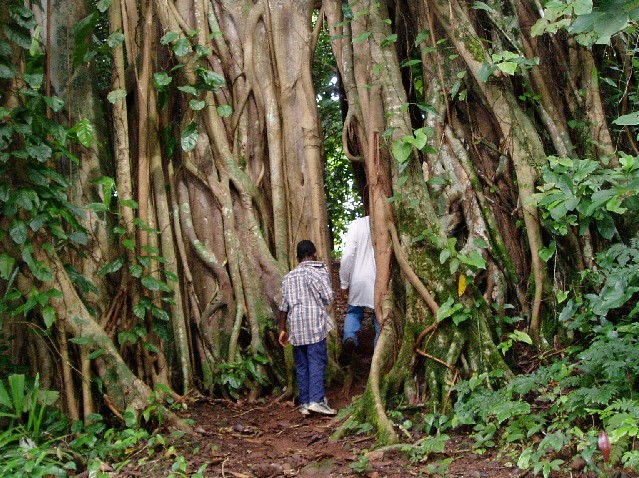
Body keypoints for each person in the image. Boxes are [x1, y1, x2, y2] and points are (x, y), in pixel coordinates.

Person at [279, 240, 337, 416]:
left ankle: (304, 402)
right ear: (313, 254)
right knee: (316, 361)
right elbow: (328, 298)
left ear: (297, 258)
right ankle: (317, 400)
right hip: (314, 325)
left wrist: (282, 329)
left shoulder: (289, 277)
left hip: (296, 327)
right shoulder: (317, 273)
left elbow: (283, 306)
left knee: (302, 364)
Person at [338, 214, 378, 366]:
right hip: (380, 277)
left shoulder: (357, 224)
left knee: (354, 311)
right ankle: (378, 358)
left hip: (358, 278)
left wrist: (344, 283)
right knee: (380, 317)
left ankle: (349, 338)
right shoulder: (387, 220)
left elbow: (348, 255)